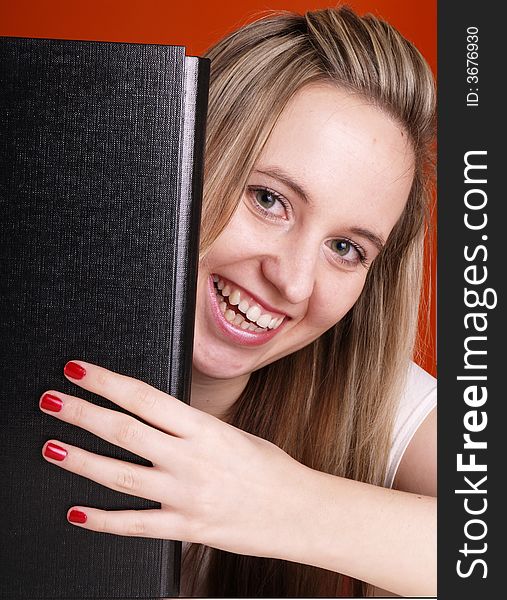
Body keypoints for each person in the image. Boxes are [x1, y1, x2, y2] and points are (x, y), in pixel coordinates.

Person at [38, 5, 437, 597]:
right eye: (269, 199)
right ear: (180, 159)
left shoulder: (374, 396)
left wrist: (282, 504)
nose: (294, 283)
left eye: (346, 248)